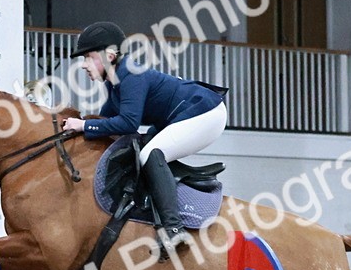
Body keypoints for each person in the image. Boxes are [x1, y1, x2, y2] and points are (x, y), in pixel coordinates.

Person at [62, 21, 228, 250]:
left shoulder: (131, 74)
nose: (83, 65)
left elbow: (128, 123)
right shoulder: (114, 82)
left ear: (109, 56)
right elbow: (106, 122)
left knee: (150, 153)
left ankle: (174, 228)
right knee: (143, 148)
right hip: (181, 115)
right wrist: (77, 129)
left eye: (88, 57)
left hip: (206, 112)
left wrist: (83, 125)